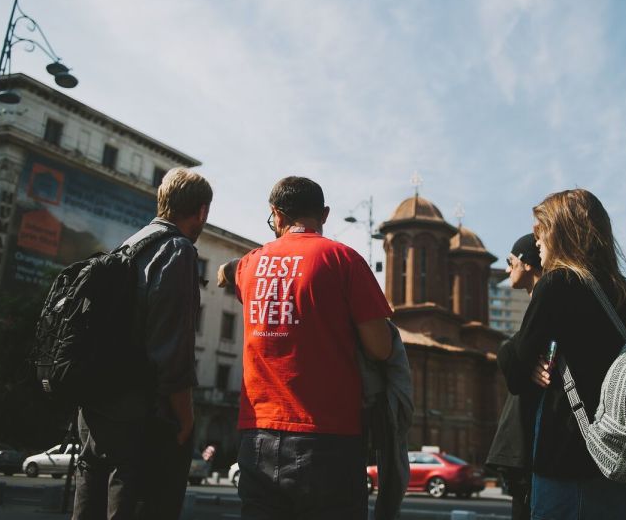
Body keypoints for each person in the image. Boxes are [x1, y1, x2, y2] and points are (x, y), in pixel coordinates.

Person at [225, 176, 393, 520]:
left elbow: (226, 273)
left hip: (257, 435)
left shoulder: (250, 264)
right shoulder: (344, 260)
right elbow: (380, 348)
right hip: (328, 438)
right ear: (325, 214)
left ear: (276, 214)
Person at [73, 168, 212, 520]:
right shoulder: (178, 250)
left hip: (96, 408)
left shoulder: (128, 245)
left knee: (90, 501)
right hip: (143, 413)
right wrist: (185, 417)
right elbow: (171, 349)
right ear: (201, 211)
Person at [498, 189, 626, 520]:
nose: (537, 243)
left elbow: (517, 374)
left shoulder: (557, 284)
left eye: (543, 231)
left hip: (568, 454)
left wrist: (523, 354)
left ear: (564, 231)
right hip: (623, 454)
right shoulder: (625, 292)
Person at [486, 234, 544, 520]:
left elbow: (513, 362)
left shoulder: (544, 301)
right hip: (527, 445)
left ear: (527, 262)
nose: (508, 270)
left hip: (532, 446)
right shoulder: (537, 303)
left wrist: (513, 354)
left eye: (510, 262)